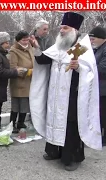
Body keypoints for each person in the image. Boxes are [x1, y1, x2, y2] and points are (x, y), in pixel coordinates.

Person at [29, 12, 102, 171]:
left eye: (65, 28)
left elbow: (90, 72)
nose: (61, 31)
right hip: (55, 96)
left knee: (70, 125)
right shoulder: (59, 46)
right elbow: (43, 60)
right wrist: (35, 47)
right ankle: (53, 152)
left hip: (73, 96)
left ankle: (72, 158)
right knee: (54, 121)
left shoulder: (81, 48)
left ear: (74, 30)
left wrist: (79, 68)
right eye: (61, 27)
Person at [8, 30, 34, 133]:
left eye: (27, 39)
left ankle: (20, 122)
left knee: (25, 104)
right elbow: (13, 67)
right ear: (18, 40)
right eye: (24, 40)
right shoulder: (13, 51)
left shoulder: (30, 48)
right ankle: (12, 123)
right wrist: (28, 71)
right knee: (16, 104)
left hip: (29, 81)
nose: (26, 42)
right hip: (18, 81)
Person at [89, 26, 106, 146]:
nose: (91, 40)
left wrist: (86, 69)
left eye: (93, 38)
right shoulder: (96, 48)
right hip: (97, 87)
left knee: (103, 113)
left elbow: (102, 68)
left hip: (103, 88)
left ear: (102, 38)